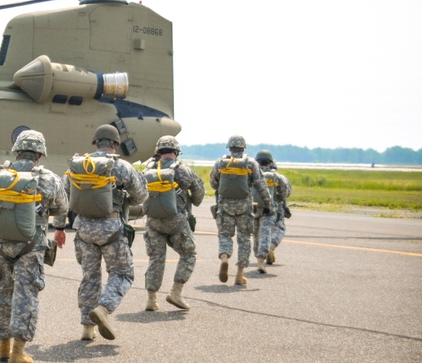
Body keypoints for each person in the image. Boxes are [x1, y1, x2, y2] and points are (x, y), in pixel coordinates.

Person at [0, 130, 69, 363]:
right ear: (40, 154)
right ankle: (18, 353)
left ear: (17, 150)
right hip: (31, 245)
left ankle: (2, 345)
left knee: (3, 291)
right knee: (26, 294)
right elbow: (63, 207)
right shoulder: (49, 178)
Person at [65, 124, 147, 340]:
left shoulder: (78, 164)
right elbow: (140, 195)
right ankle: (104, 308)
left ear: (95, 143)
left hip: (83, 229)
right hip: (111, 228)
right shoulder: (120, 166)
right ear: (116, 144)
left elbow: (67, 192)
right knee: (123, 273)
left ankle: (87, 329)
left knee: (90, 277)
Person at [142, 135, 206, 311]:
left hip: (153, 221)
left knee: (156, 258)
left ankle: (151, 299)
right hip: (176, 220)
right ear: (176, 151)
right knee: (189, 254)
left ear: (158, 152)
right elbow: (199, 192)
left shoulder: (148, 169)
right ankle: (176, 293)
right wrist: (190, 200)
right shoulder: (183, 169)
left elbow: (140, 192)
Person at [209, 135, 272, 285]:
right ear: (243, 147)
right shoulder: (250, 163)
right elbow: (261, 185)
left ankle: (224, 258)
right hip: (245, 207)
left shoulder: (220, 163)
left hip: (225, 206)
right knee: (244, 239)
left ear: (229, 148)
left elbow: (213, 182)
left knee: (225, 235)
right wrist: (268, 203)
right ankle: (240, 273)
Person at [252, 150, 292, 271]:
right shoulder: (277, 177)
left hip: (253, 208)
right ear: (270, 162)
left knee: (256, 234)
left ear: (257, 162)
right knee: (270, 231)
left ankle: (259, 254)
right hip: (269, 209)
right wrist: (276, 201)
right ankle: (265, 253)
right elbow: (285, 192)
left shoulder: (251, 174)